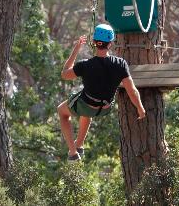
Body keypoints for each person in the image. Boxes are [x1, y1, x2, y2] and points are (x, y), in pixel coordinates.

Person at [57, 24, 146, 161]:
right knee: (86, 109)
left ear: (94, 43)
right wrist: (140, 108)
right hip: (105, 108)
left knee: (62, 112)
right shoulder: (120, 64)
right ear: (110, 44)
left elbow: (64, 74)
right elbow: (132, 90)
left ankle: (73, 153)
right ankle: (79, 144)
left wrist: (76, 49)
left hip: (87, 104)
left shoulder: (84, 65)